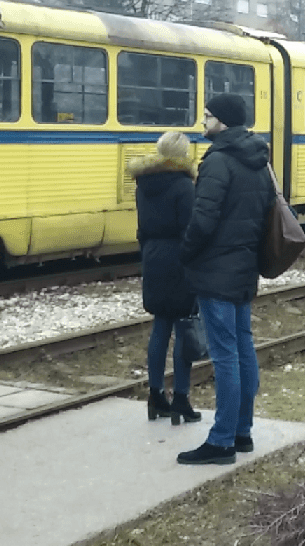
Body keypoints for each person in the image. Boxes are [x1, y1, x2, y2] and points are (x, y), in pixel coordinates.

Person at [177, 93, 275, 466]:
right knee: (243, 349)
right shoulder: (259, 160)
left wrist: (185, 254)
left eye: (207, 116)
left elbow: (203, 220)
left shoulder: (218, 161)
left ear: (222, 121)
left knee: (225, 356)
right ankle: (242, 431)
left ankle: (221, 442)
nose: (203, 122)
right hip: (244, 267)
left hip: (216, 270)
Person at [129, 131, 202, 426]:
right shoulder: (184, 185)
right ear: (183, 154)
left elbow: (141, 227)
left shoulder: (143, 184)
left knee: (160, 326)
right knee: (184, 328)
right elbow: (189, 230)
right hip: (179, 261)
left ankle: (156, 396)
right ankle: (181, 399)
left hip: (153, 256)